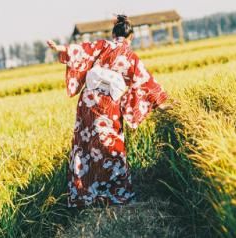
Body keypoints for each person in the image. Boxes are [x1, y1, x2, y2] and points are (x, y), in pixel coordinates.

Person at [46, 15, 170, 208]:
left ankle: (84, 195)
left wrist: (60, 48)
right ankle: (116, 195)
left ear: (114, 34)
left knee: (85, 146)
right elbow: (145, 83)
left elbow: (80, 51)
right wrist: (161, 104)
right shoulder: (132, 58)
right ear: (131, 37)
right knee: (112, 147)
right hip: (109, 104)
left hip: (87, 102)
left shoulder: (103, 45)